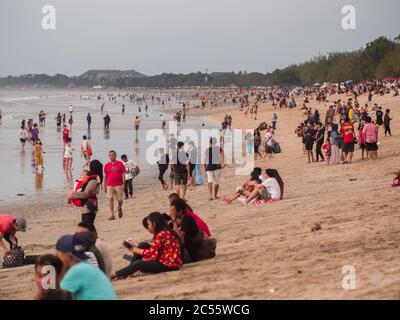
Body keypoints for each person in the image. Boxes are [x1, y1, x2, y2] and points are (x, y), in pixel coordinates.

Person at [112, 212, 182, 279]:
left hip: (169, 265)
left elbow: (151, 253)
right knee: (143, 245)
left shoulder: (161, 234)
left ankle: (115, 274)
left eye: (148, 224)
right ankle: (128, 271)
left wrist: (134, 249)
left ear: (154, 224)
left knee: (138, 264)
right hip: (171, 262)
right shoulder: (165, 231)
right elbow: (156, 249)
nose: (148, 227)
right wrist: (136, 249)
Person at [56, 234, 117, 300]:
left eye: (57, 256)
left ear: (67, 256)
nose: (57, 259)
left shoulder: (77, 270)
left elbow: (57, 294)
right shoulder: (87, 265)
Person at [104, 150, 126, 220]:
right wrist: (104, 185)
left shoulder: (120, 164)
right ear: (109, 156)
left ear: (115, 156)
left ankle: (119, 207)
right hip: (109, 185)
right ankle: (112, 215)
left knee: (120, 200)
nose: (111, 157)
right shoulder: (107, 165)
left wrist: (123, 183)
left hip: (119, 185)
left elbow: (123, 174)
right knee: (110, 198)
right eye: (110, 155)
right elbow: (105, 176)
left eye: (113, 155)